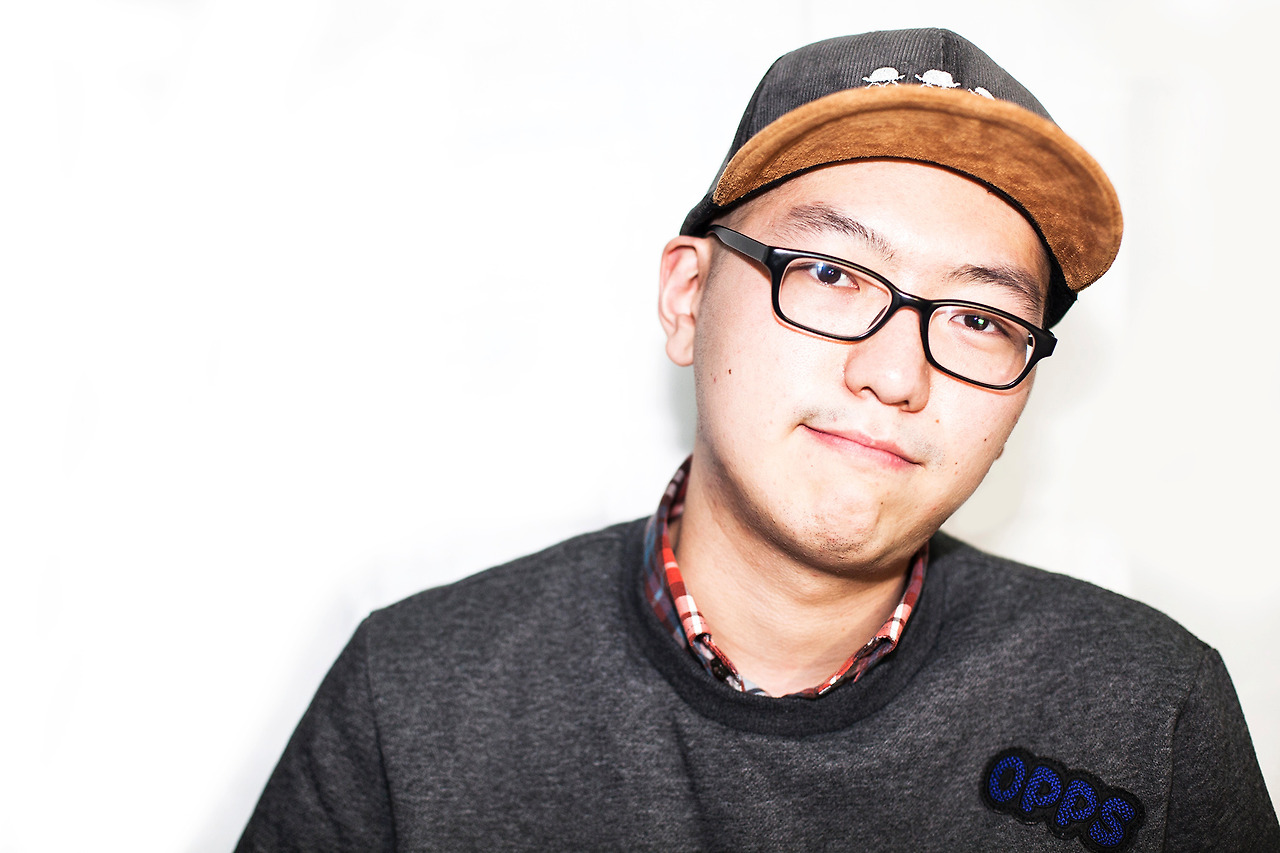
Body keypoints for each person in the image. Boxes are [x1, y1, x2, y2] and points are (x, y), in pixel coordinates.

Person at [236, 28, 1278, 851]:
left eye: (978, 318)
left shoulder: (1146, 712)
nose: (894, 373)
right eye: (829, 274)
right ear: (687, 298)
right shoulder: (416, 697)